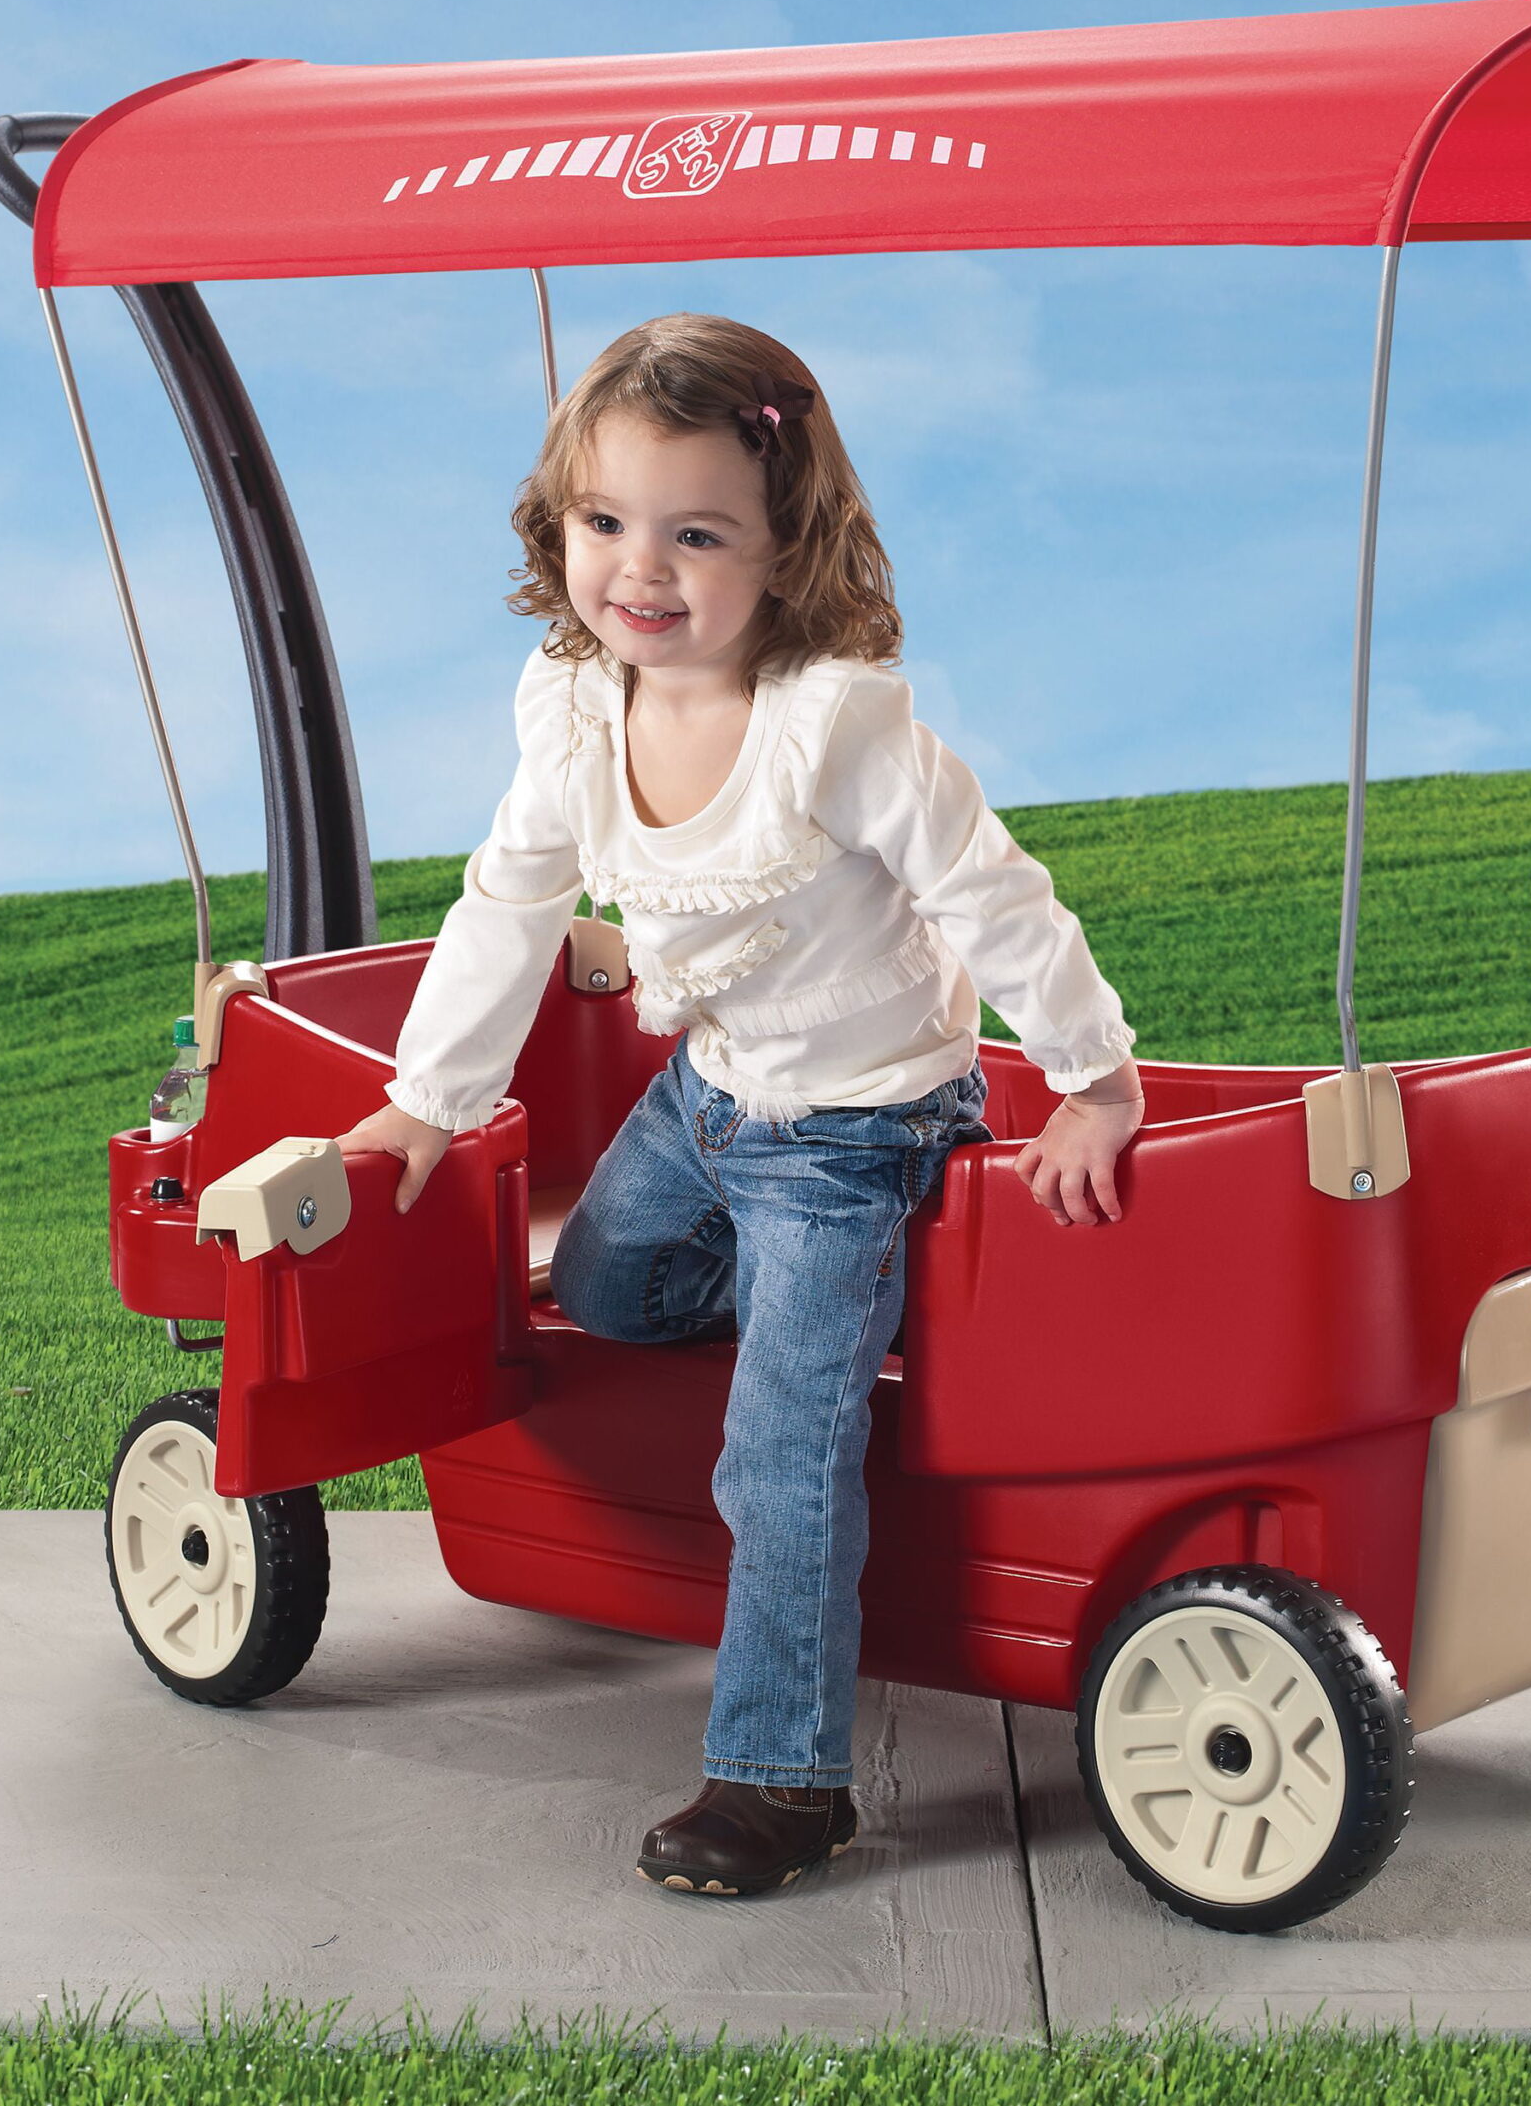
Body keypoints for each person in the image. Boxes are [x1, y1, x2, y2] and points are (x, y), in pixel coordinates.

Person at [337, 312, 1142, 1897]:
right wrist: (425, 1103)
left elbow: (993, 896)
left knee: (775, 1456)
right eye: (604, 520)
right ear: (558, 523)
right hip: (700, 1093)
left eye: (696, 534)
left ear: (786, 546)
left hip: (854, 1135)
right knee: (604, 1288)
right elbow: (510, 897)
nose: (640, 569)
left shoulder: (834, 724)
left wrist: (1093, 1081)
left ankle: (783, 1776)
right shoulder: (577, 699)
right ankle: (828, 1324)